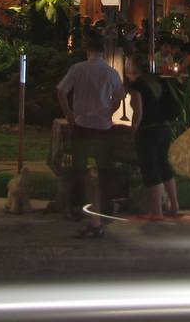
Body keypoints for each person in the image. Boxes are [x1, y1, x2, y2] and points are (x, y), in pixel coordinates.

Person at [57, 30, 124, 238]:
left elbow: (61, 90)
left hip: (82, 125)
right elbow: (119, 97)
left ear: (87, 49)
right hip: (103, 127)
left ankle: (81, 208)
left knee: (81, 168)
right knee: (103, 170)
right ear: (103, 51)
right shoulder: (111, 73)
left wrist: (69, 113)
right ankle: (102, 210)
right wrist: (109, 111)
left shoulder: (77, 69)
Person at [125, 54, 179, 220]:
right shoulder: (160, 81)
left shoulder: (137, 85)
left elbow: (138, 111)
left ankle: (157, 211)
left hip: (148, 131)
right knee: (164, 166)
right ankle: (174, 206)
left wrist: (133, 130)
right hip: (164, 128)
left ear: (134, 67)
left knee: (151, 168)